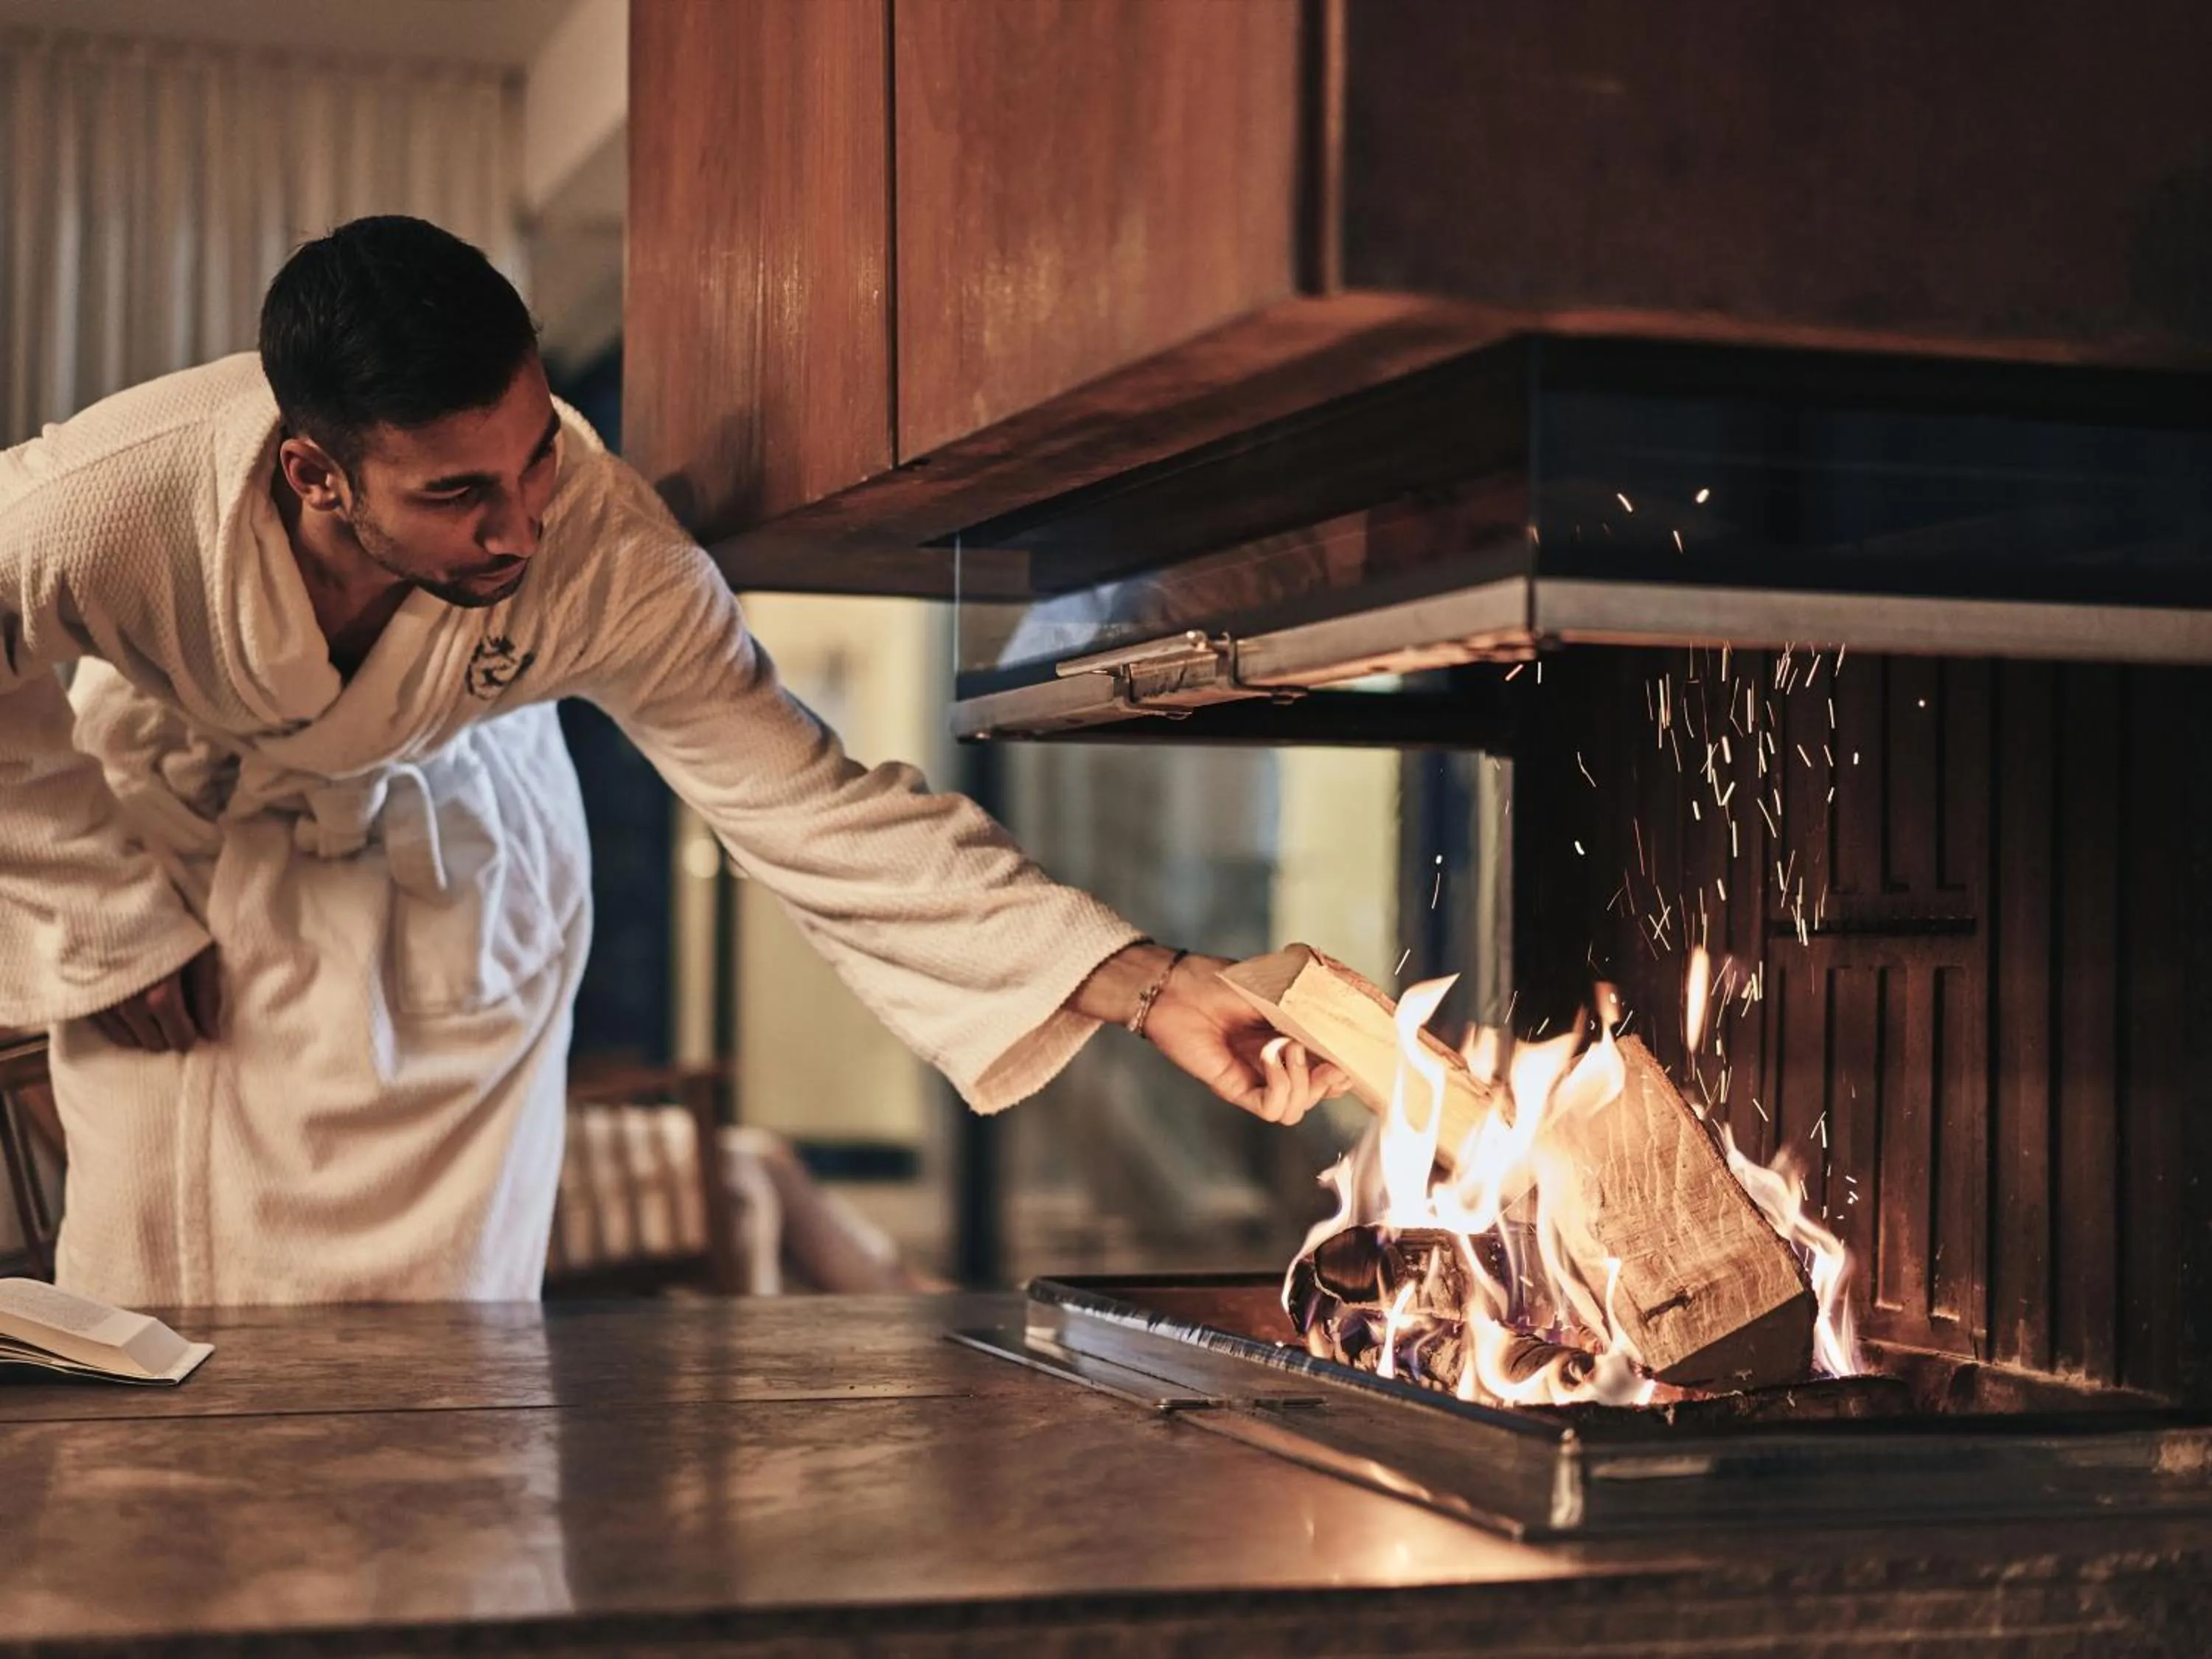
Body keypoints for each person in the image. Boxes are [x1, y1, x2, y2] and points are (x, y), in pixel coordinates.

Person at [0, 216, 1345, 1307]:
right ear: (316, 476)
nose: (522, 527)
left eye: (535, 459)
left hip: (451, 871)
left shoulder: (606, 547)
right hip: (178, 853)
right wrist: (101, 922)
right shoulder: (115, 498)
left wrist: (1154, 984)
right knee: (161, 1287)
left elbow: (809, 806)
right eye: (459, 494)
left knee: (446, 1318)